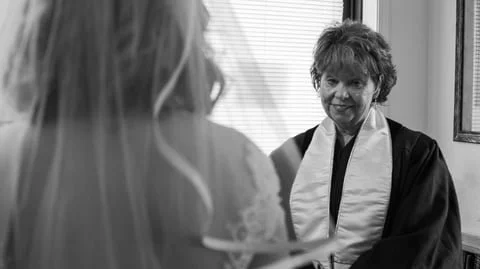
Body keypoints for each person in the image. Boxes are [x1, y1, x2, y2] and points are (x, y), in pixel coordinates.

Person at [270, 20, 463, 269]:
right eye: (332, 81)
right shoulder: (293, 154)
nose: (341, 94)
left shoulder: (416, 154)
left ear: (377, 85)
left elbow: (420, 244)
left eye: (355, 83)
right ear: (319, 82)